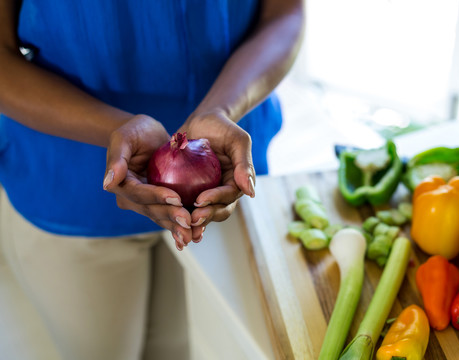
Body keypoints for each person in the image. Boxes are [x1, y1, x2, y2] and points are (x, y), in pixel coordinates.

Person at [0, 0, 305, 359]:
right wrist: (114, 127)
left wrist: (222, 108)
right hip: (68, 181)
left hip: (225, 174)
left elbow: (284, 13)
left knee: (189, 346)